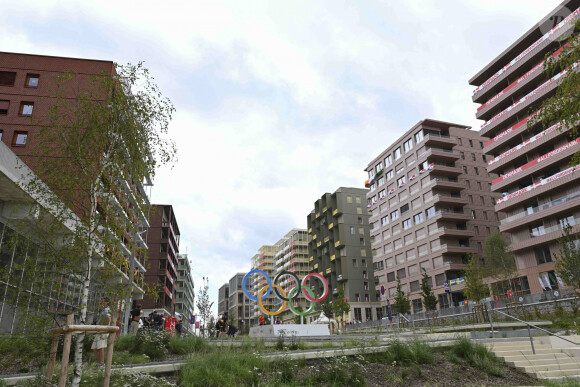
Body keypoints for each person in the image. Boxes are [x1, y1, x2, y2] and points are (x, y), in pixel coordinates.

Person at [92, 298, 111, 366]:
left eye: (102, 301)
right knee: (94, 348)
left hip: (102, 330)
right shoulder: (102, 310)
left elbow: (108, 318)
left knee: (100, 346)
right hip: (99, 330)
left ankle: (102, 363)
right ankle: (101, 362)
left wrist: (104, 326)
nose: (101, 303)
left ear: (106, 302)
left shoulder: (107, 310)